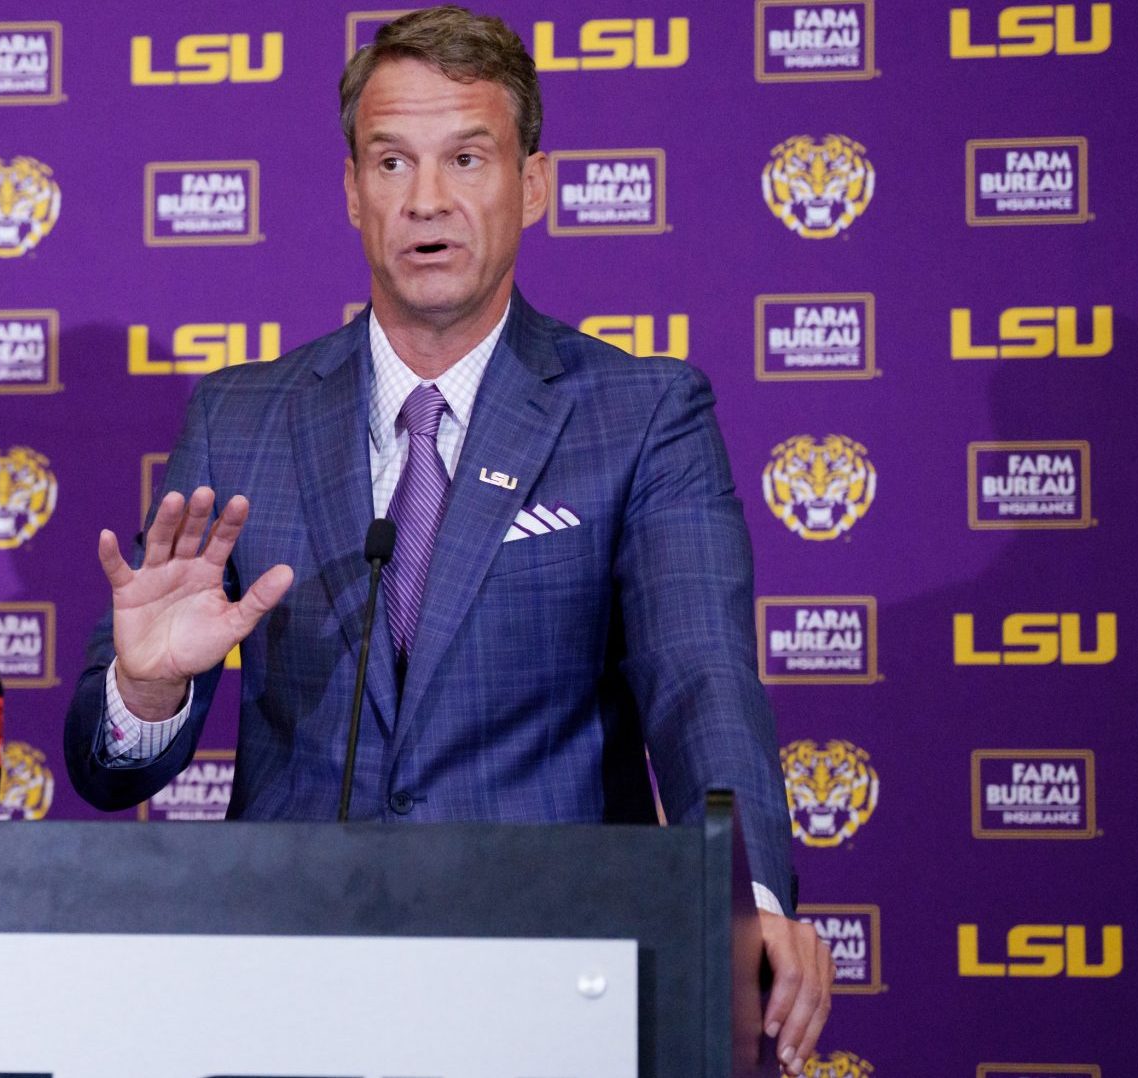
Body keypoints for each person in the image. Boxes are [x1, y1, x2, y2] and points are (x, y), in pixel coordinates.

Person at [64, 6, 832, 1069]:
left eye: (467, 157)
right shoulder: (241, 416)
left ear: (534, 184)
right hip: (292, 985)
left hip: (557, 984)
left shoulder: (640, 414)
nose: (426, 200)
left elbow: (699, 674)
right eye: (392, 161)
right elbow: (107, 771)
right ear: (351, 190)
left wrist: (752, 901)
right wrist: (146, 693)